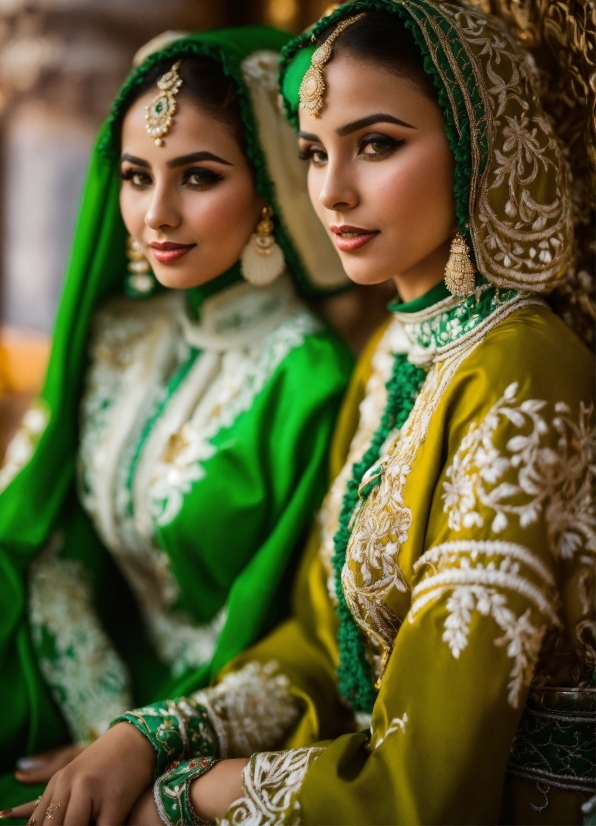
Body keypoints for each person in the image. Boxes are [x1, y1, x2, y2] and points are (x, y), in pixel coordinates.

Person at [6, 2, 594, 824]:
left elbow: (427, 789)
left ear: (474, 144)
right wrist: (144, 737)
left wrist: (186, 794)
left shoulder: (522, 373)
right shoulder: (397, 355)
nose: (331, 190)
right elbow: (319, 643)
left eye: (377, 145)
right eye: (314, 153)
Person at [0, 25, 355, 812]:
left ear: (269, 185)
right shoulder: (119, 333)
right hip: (81, 692)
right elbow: (54, 543)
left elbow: (286, 631)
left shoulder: (313, 381)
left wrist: (142, 740)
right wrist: (100, 717)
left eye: (197, 176)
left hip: (215, 733)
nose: (156, 213)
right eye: (135, 176)